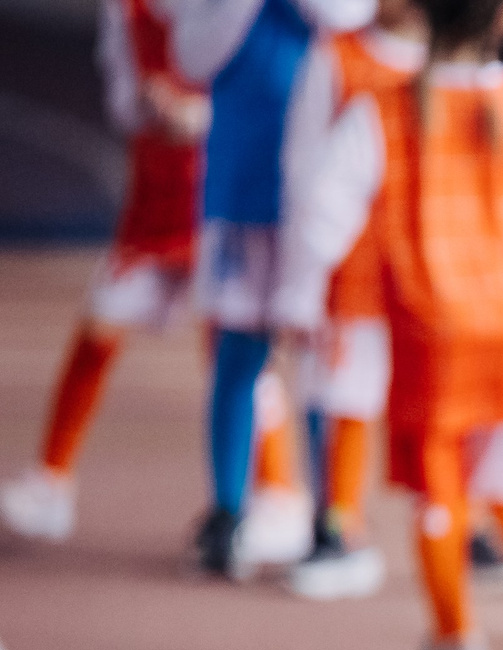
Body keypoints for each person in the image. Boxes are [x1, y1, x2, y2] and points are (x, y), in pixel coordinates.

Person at [276, 0, 503, 650]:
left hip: (432, 326)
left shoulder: (383, 111)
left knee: (440, 485)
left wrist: (303, 296)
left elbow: (321, 213)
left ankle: (455, 641)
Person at [173, 0, 375, 577]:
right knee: (237, 350)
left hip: (322, 194)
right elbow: (192, 55)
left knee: (324, 360)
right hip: (244, 180)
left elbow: (350, 15)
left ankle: (332, 519)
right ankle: (227, 513)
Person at [3, 0, 211, 544]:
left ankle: (272, 492)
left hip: (216, 202)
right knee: (99, 326)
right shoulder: (129, 12)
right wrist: (149, 106)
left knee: (234, 356)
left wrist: (200, 116)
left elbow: (256, 92)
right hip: (153, 204)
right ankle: (51, 480)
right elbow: (124, 99)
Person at [274, 0, 428, 601]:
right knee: (345, 397)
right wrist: (300, 283)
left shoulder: (454, 69)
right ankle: (337, 523)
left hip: (426, 273)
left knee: (440, 405)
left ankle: (458, 518)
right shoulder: (334, 58)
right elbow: (304, 172)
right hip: (354, 277)